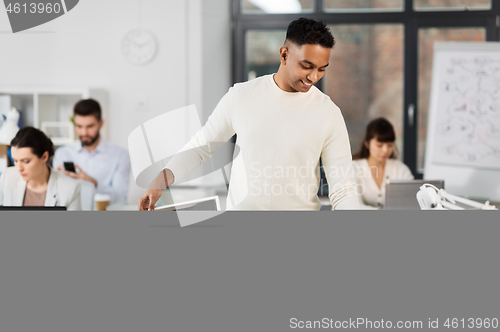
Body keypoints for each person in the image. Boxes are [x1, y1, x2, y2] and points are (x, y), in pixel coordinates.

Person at [139, 18, 360, 211]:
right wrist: (159, 181)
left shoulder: (328, 113)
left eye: (322, 69)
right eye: (306, 65)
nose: (314, 77)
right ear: (284, 54)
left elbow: (343, 188)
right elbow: (201, 147)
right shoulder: (241, 96)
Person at [53, 99, 130, 206]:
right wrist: (56, 181)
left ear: (100, 123)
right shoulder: (62, 154)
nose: (84, 132)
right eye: (79, 126)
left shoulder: (120, 155)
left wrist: (94, 184)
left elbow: (121, 198)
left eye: (90, 126)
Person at [0, 127, 81, 210]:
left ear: (44, 157)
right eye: (15, 161)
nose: (19, 168)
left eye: (26, 161)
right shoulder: (7, 177)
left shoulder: (70, 188)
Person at [352, 118, 414, 209]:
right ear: (367, 144)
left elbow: (412, 201)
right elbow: (353, 206)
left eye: (390, 145)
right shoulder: (354, 168)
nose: (385, 150)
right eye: (379, 145)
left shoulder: (401, 169)